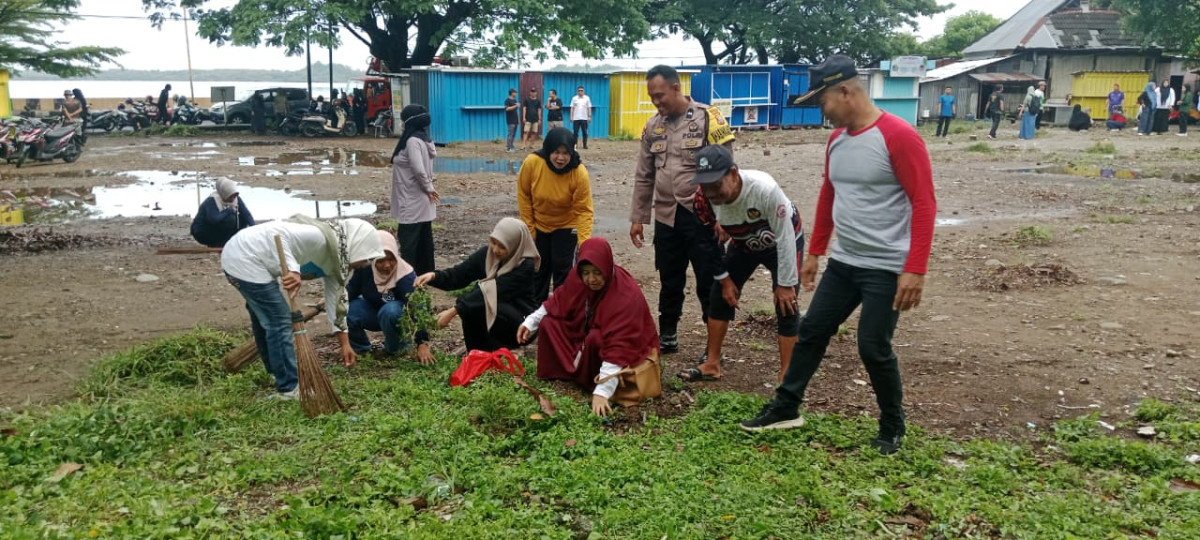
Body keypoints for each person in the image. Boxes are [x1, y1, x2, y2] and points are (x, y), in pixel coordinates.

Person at [739, 55, 936, 457]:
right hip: (845, 262)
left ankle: (892, 424)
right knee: (812, 331)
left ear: (845, 91)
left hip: (886, 266)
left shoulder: (899, 136)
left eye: (824, 102)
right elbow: (830, 194)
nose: (822, 112)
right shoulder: (837, 140)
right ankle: (786, 407)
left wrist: (914, 269)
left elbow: (924, 202)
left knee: (872, 345)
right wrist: (815, 252)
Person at [630, 65, 735, 354]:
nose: (656, 102)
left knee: (709, 279)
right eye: (652, 97)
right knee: (669, 279)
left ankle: (712, 347)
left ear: (676, 88)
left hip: (702, 215)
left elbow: (728, 173)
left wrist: (725, 218)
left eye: (660, 95)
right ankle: (668, 336)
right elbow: (644, 174)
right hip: (666, 215)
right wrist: (638, 218)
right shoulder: (653, 126)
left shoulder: (707, 118)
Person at [221, 218, 383, 399]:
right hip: (244, 257)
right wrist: (293, 270)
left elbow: (335, 302)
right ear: (356, 244)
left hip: (253, 262)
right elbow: (278, 234)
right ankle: (289, 388)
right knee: (279, 321)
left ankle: (276, 373)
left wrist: (345, 344)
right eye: (365, 257)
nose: (364, 264)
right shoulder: (320, 237)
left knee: (265, 320)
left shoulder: (338, 263)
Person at [684, 144, 803, 383]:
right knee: (719, 294)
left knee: (786, 305)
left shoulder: (765, 189)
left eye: (716, 185)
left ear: (734, 174)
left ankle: (788, 375)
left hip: (781, 243)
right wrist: (725, 279)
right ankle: (712, 363)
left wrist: (786, 283)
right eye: (706, 187)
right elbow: (705, 243)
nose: (712, 193)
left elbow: (786, 236)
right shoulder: (702, 200)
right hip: (742, 243)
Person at [517, 237, 658, 417]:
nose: (591, 279)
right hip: (586, 329)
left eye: (597, 272)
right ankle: (565, 372)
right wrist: (530, 322)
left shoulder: (625, 295)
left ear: (606, 267)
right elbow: (559, 300)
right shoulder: (578, 279)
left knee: (595, 339)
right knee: (550, 323)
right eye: (585, 272)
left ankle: (591, 380)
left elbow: (619, 346)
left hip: (621, 344)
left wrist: (602, 391)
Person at [415, 218, 539, 352]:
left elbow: (494, 291)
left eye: (502, 246)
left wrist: (453, 311)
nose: (496, 249)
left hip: (521, 323)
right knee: (472, 303)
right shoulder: (488, 254)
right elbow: (459, 275)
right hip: (499, 313)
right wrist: (434, 276)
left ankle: (498, 351)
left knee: (475, 300)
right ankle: (475, 353)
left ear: (515, 245)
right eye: (494, 242)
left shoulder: (525, 265)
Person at [517, 127, 594, 303]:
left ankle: (562, 317)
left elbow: (584, 210)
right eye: (556, 152)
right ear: (548, 150)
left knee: (563, 273)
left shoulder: (579, 172)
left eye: (566, 153)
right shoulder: (533, 163)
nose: (561, 158)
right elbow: (524, 196)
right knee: (538, 272)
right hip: (539, 225)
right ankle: (534, 318)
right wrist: (530, 230)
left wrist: (584, 243)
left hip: (566, 226)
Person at [346, 230, 435, 364]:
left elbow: (418, 308)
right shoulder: (365, 269)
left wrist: (421, 343)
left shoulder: (406, 275)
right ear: (373, 258)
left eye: (391, 259)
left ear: (396, 255)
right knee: (350, 308)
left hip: (397, 319)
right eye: (381, 260)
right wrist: (334, 300)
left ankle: (396, 349)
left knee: (390, 310)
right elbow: (351, 290)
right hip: (374, 314)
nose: (387, 265)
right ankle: (362, 349)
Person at [390, 104, 439, 275]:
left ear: (408, 122)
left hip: (412, 200)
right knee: (423, 242)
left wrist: (429, 188)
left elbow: (419, 170)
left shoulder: (412, 141)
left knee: (409, 242)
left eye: (403, 120)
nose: (401, 123)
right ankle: (425, 276)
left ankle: (407, 278)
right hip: (419, 199)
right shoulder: (423, 139)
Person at [191, 177, 255, 248]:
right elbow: (213, 219)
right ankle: (219, 244)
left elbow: (247, 215)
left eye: (235, 195)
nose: (233, 198)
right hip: (203, 232)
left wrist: (254, 229)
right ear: (225, 193)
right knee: (230, 218)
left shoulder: (236, 199)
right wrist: (228, 210)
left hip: (218, 229)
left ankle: (231, 242)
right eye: (231, 196)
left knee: (243, 220)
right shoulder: (211, 201)